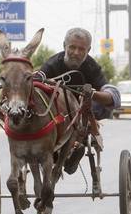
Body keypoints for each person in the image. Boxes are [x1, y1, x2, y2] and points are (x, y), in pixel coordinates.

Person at [34, 27, 121, 175]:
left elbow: (112, 96)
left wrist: (92, 94)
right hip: (56, 115)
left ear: (88, 50)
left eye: (81, 49)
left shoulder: (92, 67)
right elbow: (36, 82)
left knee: (91, 108)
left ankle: (74, 150)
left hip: (82, 114)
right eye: (72, 47)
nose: (76, 52)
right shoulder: (52, 64)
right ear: (64, 46)